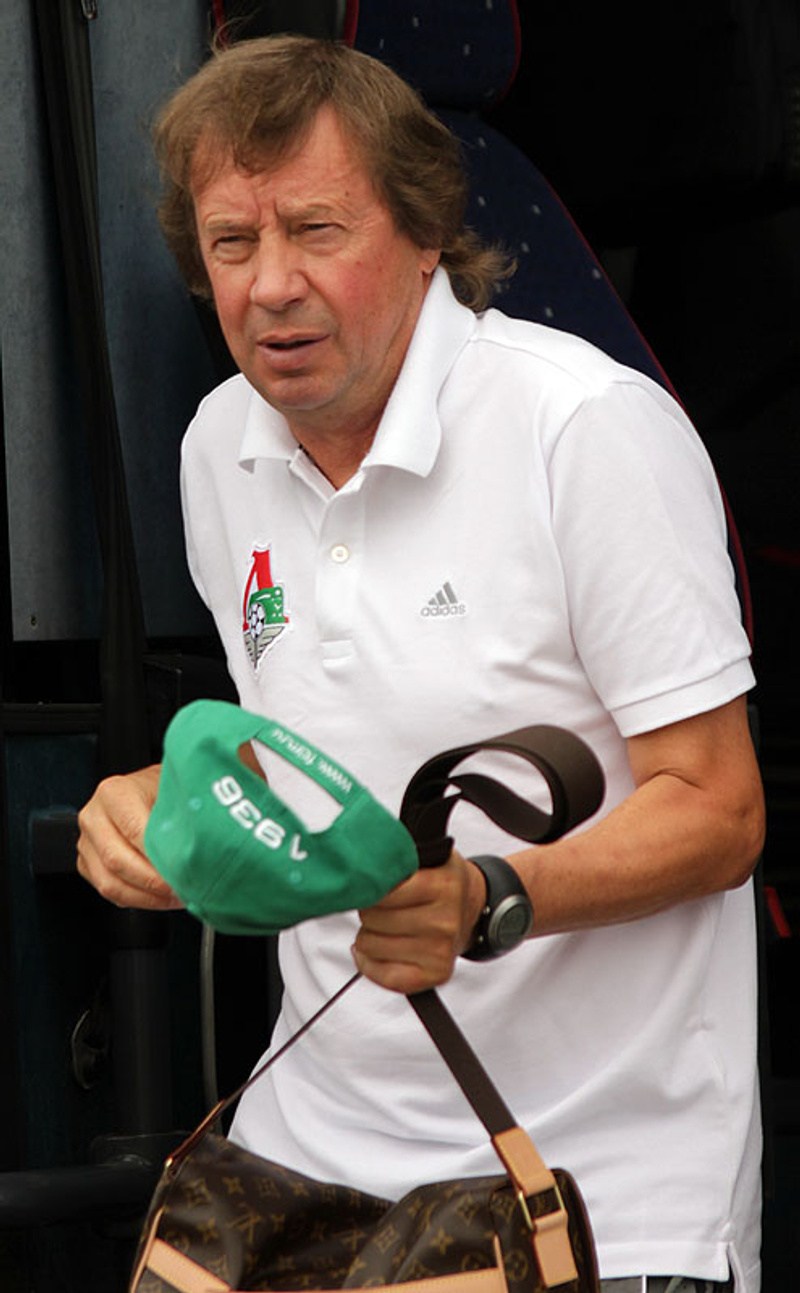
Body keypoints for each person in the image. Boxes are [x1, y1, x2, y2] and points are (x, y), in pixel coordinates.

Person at [76, 35, 765, 1293]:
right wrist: (165, 814)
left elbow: (718, 810)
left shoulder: (580, 426)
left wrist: (491, 896)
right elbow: (306, 755)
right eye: (231, 242)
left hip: (593, 1191)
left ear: (423, 232)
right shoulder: (220, 443)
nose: (270, 285)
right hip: (298, 1177)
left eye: (315, 231)